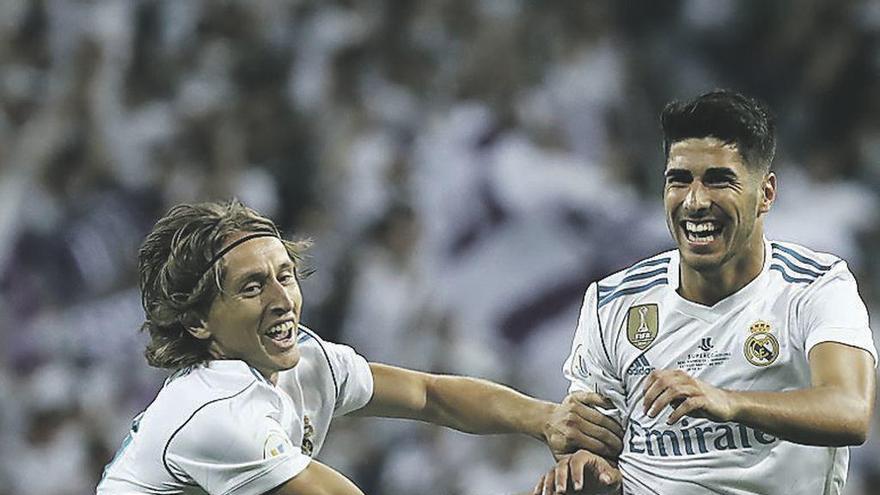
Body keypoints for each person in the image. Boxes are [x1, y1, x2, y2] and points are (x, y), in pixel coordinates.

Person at [95, 200, 622, 495]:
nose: (284, 299)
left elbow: (428, 394)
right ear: (197, 322)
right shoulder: (217, 414)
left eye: (286, 275)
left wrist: (547, 417)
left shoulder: (304, 360)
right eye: (253, 287)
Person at [534, 89, 877, 495]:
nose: (695, 201)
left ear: (765, 194)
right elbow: (595, 452)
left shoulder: (815, 286)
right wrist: (586, 469)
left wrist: (730, 403)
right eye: (679, 180)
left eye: (719, 180)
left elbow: (850, 411)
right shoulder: (613, 303)